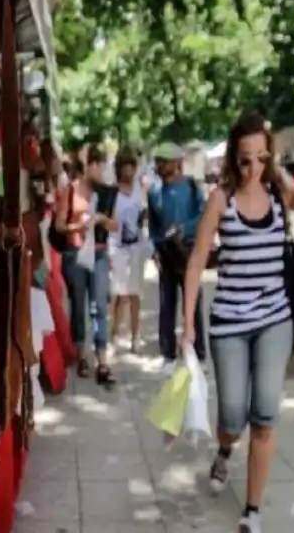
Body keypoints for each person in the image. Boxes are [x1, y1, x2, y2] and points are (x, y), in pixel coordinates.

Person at [181, 112, 294, 533]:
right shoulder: (220, 200)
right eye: (245, 159)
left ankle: (252, 511)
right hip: (229, 323)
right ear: (232, 158)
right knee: (232, 416)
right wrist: (187, 324)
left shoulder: (279, 195)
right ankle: (224, 450)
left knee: (265, 414)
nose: (253, 168)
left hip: (275, 319)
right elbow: (196, 261)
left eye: (261, 158)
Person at [54, 147, 117, 385]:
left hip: (99, 254)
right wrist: (79, 226)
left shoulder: (107, 193)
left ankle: (102, 359)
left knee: (99, 305)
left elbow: (115, 226)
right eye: (99, 166)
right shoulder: (71, 190)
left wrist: (103, 220)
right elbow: (59, 225)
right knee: (78, 305)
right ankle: (81, 354)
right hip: (75, 253)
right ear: (89, 166)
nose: (102, 171)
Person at [148, 142, 207, 374]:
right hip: (166, 252)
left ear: (176, 163)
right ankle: (168, 354)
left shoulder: (191, 187)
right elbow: (153, 224)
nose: (160, 166)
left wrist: (186, 228)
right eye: (158, 162)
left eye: (164, 162)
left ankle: (198, 354)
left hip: (188, 250)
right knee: (166, 304)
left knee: (193, 303)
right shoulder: (154, 191)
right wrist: (154, 247)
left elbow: (203, 214)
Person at [108, 148, 148, 352]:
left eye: (132, 166)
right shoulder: (112, 192)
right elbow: (109, 221)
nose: (129, 170)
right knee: (120, 293)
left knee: (135, 293)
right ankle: (114, 334)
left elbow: (144, 215)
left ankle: (135, 336)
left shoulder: (140, 189)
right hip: (118, 246)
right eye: (125, 166)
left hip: (136, 246)